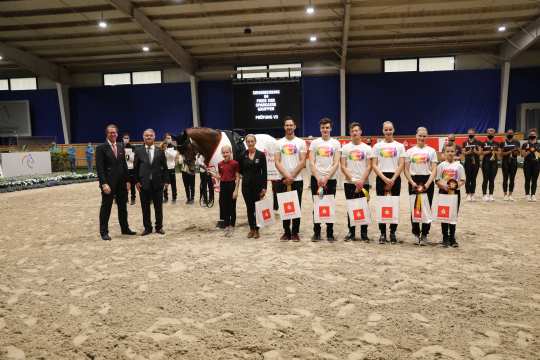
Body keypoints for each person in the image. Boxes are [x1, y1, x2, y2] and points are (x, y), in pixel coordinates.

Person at [95, 124, 136, 241]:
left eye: (114, 132)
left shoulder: (120, 146)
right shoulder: (101, 148)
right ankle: (104, 232)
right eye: (110, 132)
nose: (113, 134)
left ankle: (125, 228)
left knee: (123, 207)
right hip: (108, 184)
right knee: (106, 207)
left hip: (122, 183)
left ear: (117, 134)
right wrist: (103, 183)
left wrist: (128, 180)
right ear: (107, 134)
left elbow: (124, 165)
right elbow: (100, 168)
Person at [371, 121, 407, 244]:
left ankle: (392, 233)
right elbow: (374, 165)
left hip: (395, 177)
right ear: (382, 131)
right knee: (382, 206)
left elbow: (401, 164)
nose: (388, 132)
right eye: (386, 130)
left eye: (390, 129)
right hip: (381, 177)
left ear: (393, 130)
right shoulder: (377, 146)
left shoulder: (400, 146)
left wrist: (393, 178)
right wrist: (384, 178)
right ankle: (382, 233)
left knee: (394, 205)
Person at [308, 117, 341, 242]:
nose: (325, 130)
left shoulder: (336, 143)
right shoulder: (315, 143)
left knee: (329, 205)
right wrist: (318, 177)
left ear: (331, 128)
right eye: (323, 127)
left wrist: (327, 177)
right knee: (317, 205)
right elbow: (311, 162)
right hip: (316, 179)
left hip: (330, 179)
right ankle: (316, 232)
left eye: (327, 127)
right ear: (320, 129)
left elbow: (336, 163)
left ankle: (330, 232)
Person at [404, 127, 438, 246]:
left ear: (427, 137)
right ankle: (415, 233)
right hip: (414, 181)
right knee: (415, 208)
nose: (422, 138)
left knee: (426, 208)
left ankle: (424, 234)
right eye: (420, 135)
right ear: (416, 136)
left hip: (427, 180)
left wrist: (428, 183)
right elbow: (406, 170)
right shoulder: (409, 152)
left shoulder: (432, 151)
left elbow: (434, 169)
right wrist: (412, 182)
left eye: (424, 136)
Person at [275, 116, 307, 241]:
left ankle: (295, 232)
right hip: (282, 179)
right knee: (284, 206)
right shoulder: (278, 143)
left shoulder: (300, 142)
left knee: (296, 206)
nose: (289, 127)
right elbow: (277, 162)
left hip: (297, 179)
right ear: (284, 127)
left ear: (294, 126)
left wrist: (292, 176)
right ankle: (286, 232)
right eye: (286, 125)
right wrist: (286, 176)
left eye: (291, 125)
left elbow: (303, 161)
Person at [340, 122, 372, 242]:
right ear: (350, 133)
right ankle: (351, 232)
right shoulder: (345, 148)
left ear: (360, 132)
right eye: (353, 131)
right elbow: (343, 166)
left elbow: (369, 166)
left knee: (364, 207)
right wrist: (354, 180)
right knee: (351, 207)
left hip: (364, 182)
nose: (355, 132)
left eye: (357, 130)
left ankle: (364, 233)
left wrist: (362, 181)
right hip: (349, 183)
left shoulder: (367, 148)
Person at [134, 129, 169, 236]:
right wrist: (136, 181)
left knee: (158, 207)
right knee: (145, 208)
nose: (148, 137)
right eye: (146, 135)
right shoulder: (138, 151)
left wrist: (166, 181)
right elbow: (135, 168)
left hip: (158, 183)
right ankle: (147, 228)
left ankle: (159, 227)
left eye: (151, 135)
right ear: (143, 137)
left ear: (154, 137)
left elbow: (165, 168)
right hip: (143, 184)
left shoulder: (160, 151)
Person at [435, 145, 465, 248]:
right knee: (444, 215)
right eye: (448, 151)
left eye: (452, 151)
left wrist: (456, 186)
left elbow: (462, 180)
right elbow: (437, 180)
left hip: (455, 193)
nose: (450, 153)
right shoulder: (441, 166)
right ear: (444, 153)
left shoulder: (459, 166)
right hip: (443, 192)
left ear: (455, 152)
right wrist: (444, 186)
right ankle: (445, 237)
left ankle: (452, 237)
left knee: (453, 215)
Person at [239, 135, 267, 239]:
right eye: (248, 141)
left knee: (257, 209)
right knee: (249, 208)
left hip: (258, 186)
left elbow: (264, 172)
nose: (250, 143)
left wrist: (264, 187)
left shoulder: (261, 155)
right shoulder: (242, 155)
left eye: (252, 141)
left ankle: (257, 230)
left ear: (255, 142)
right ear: (246, 142)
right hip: (246, 186)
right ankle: (251, 229)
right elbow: (240, 170)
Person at [213, 145, 239, 236]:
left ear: (230, 152)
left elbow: (237, 177)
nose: (225, 154)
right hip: (223, 186)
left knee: (232, 207)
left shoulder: (235, 163)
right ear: (221, 153)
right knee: (224, 207)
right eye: (223, 152)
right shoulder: (220, 164)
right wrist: (213, 174)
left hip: (232, 185)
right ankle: (227, 226)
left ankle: (232, 226)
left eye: (227, 152)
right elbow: (220, 177)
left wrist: (236, 190)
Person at [500, 129, 520, 201]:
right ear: (506, 134)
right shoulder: (503, 142)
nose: (510, 134)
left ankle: (510, 194)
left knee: (512, 178)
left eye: (511, 133)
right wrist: (510, 151)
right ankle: (505, 194)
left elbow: (519, 153)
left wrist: (515, 152)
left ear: (513, 134)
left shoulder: (517, 142)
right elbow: (501, 154)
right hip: (505, 161)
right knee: (505, 178)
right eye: (509, 133)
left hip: (513, 161)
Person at [462, 128, 483, 201]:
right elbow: (463, 153)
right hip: (467, 162)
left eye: (472, 133)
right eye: (469, 133)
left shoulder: (479, 142)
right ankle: (468, 194)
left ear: (474, 134)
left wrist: (475, 151)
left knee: (473, 178)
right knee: (468, 178)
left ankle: (472, 194)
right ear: (468, 134)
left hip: (476, 162)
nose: (470, 134)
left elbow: (480, 153)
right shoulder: (465, 143)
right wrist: (469, 152)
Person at [481, 128, 499, 201]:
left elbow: (500, 153)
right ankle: (484, 195)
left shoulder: (497, 143)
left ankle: (491, 195)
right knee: (485, 179)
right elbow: (481, 154)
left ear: (494, 134)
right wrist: (489, 151)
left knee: (492, 180)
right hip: (485, 163)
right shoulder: (483, 143)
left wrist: (494, 151)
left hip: (494, 163)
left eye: (492, 132)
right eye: (489, 132)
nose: (490, 133)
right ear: (487, 133)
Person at [521, 128, 540, 202]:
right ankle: (527, 195)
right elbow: (522, 155)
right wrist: (529, 150)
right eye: (531, 135)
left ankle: (533, 195)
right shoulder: (525, 144)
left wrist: (535, 151)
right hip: (527, 164)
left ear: (536, 136)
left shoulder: (538, 144)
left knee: (534, 180)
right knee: (527, 179)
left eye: (533, 135)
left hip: (536, 164)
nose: (532, 136)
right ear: (529, 136)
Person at [162, 133, 179, 203]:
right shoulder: (162, 146)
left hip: (171, 167)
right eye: (167, 138)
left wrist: (166, 150)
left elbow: (173, 156)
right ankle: (165, 197)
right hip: (164, 168)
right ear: (165, 139)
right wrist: (164, 149)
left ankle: (174, 197)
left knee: (173, 183)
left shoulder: (174, 147)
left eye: (170, 138)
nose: (169, 139)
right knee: (164, 183)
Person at [123, 133, 137, 205]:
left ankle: (133, 198)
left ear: (129, 139)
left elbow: (133, 158)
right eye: (124, 138)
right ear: (122, 139)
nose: (126, 139)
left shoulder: (133, 147)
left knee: (132, 184)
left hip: (131, 168)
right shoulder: (120, 147)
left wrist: (127, 156)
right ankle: (125, 198)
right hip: (123, 169)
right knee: (123, 184)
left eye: (127, 138)